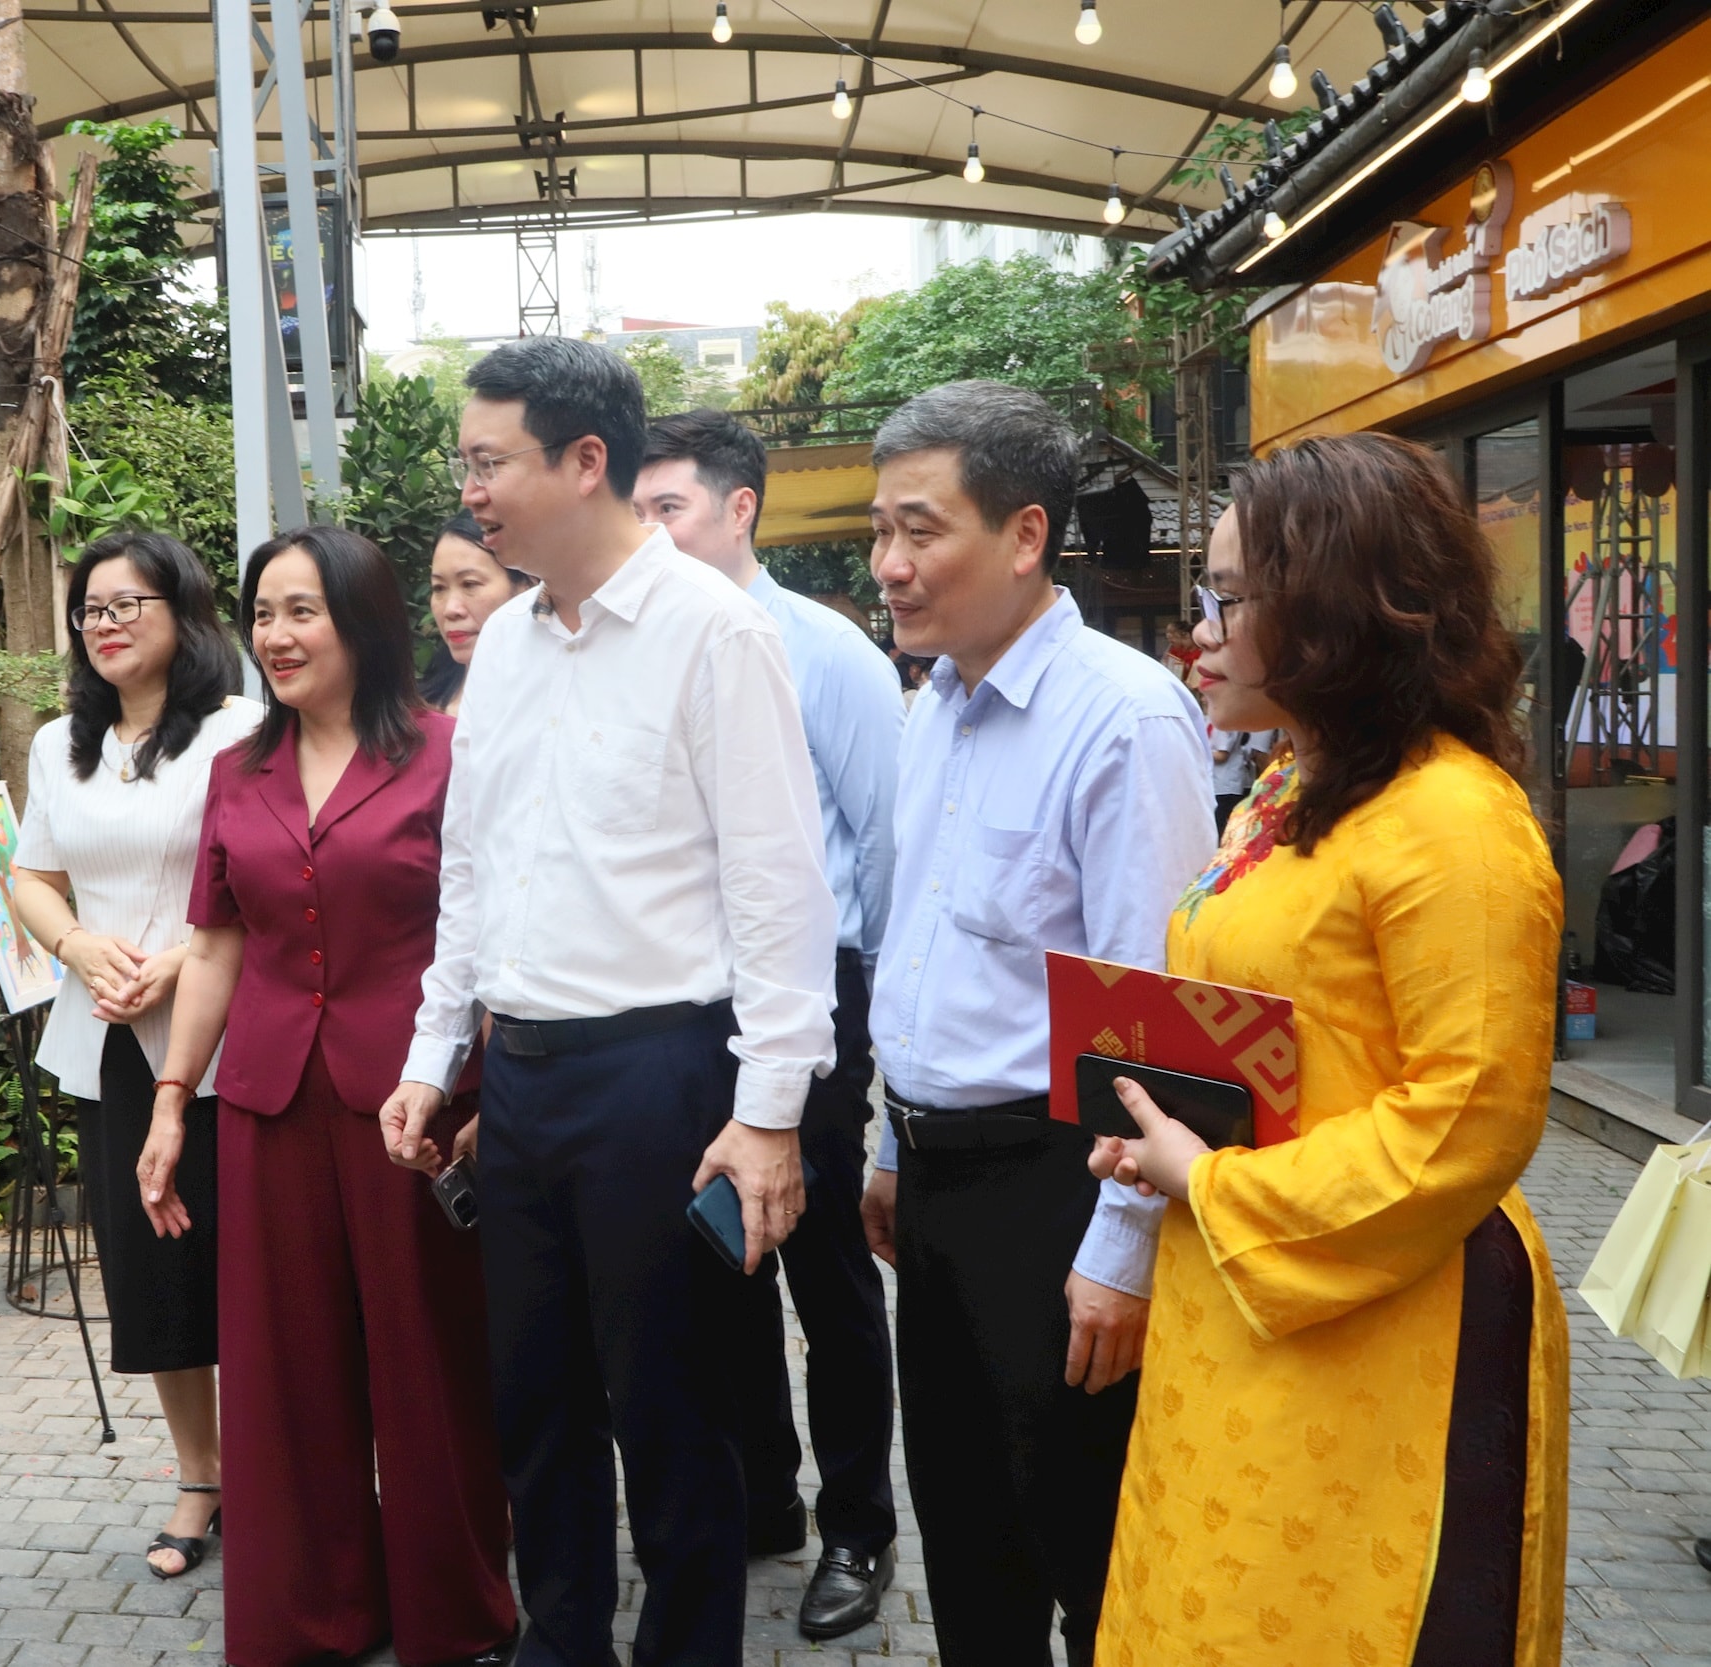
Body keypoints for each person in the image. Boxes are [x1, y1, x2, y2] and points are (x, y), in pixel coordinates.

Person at [383, 337, 837, 1667]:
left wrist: (768, 1116)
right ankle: (562, 1641)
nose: (469, 490)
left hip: (662, 1078)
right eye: (465, 462)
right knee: (535, 1403)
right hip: (522, 1081)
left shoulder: (715, 632)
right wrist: (433, 1056)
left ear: (587, 460)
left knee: (672, 1412)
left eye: (489, 461)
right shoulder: (507, 647)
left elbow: (779, 894)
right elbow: (472, 870)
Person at [1089, 434, 1569, 1667]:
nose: (1198, 632)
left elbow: (1469, 1116)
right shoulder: (1287, 787)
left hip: (1390, 1314)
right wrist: (1163, 1133)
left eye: (1228, 598)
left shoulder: (1453, 821)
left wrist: (1213, 1179)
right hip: (1238, 1289)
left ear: (1335, 608)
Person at [854, 381, 1214, 1667]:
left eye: (919, 529)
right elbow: (923, 945)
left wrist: (1122, 1247)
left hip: (1061, 1183)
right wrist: (891, 1144)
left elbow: (1154, 1018)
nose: (889, 565)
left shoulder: (1123, 717)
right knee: (965, 1533)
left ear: (1023, 535)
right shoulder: (932, 707)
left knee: (1086, 1539)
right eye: (879, 532)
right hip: (937, 1179)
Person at [143, 526, 515, 1667]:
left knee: (427, 1362)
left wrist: (487, 1089)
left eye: (301, 610)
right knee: (286, 1372)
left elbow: (494, 938)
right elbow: (217, 945)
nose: (276, 634)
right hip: (268, 1106)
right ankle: (312, 1615)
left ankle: (455, 1612)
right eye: (262, 612)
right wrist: (172, 1097)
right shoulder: (236, 769)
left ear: (361, 619)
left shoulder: (449, 752)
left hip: (414, 1104)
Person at [634, 408, 905, 1639]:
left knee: (827, 1269)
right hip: (688, 1005)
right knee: (719, 1258)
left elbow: (884, 846)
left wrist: (867, 1018)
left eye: (668, 508)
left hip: (813, 996)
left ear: (739, 508)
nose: (647, 533)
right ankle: (764, 1495)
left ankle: (858, 1523)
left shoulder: (825, 651)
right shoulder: (643, 648)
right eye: (635, 510)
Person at [8, 531, 261, 1582]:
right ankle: (201, 1474)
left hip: (232, 1038)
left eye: (126, 604)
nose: (104, 624)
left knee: (254, 1269)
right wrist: (75, 945)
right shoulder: (59, 744)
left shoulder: (241, 732)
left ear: (182, 610)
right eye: (90, 609)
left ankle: (284, 1470)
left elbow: (265, 879)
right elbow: (29, 875)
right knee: (154, 1276)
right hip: (109, 1042)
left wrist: (177, 962)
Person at [419, 511, 533, 712]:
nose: (450, 609)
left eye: (470, 584)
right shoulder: (418, 709)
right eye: (439, 588)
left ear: (527, 585)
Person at [1206, 712, 1254, 836]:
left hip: (1225, 785)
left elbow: (1222, 755)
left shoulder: (1225, 722)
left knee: (1221, 829)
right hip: (1216, 783)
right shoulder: (1210, 718)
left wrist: (1198, 751)